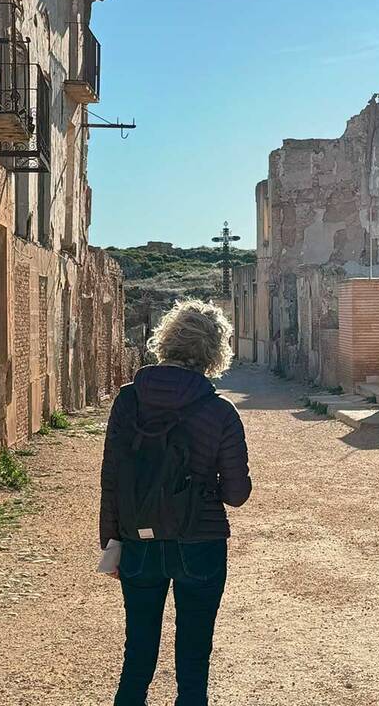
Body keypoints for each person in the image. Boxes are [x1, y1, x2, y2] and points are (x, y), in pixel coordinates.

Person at [100, 299, 252, 706]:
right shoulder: (220, 411)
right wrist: (202, 489)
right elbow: (237, 495)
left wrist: (111, 543)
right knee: (193, 660)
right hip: (200, 542)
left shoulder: (128, 400)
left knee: (137, 657)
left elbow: (112, 477)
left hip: (138, 539)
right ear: (214, 353)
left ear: (164, 341)